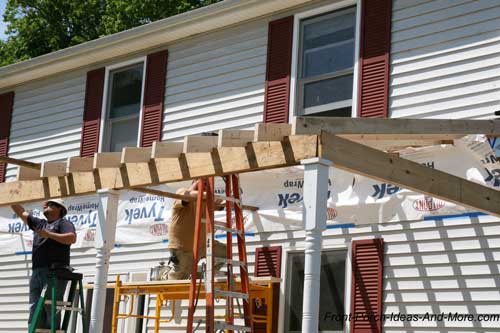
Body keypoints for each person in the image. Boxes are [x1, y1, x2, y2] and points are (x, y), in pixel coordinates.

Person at [11, 199, 76, 329]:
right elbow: (20, 211)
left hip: (54, 272)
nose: (45, 205)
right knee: (34, 307)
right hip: (37, 272)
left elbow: (71, 238)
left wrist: (49, 234)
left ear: (59, 209)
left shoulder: (63, 223)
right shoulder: (40, 223)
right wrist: (10, 196)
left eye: (50, 204)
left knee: (50, 307)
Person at [166, 179, 227, 280]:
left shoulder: (206, 199)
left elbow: (222, 204)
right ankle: (164, 276)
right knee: (178, 278)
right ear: (195, 182)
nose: (207, 186)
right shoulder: (182, 192)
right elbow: (188, 195)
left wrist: (231, 197)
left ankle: (202, 275)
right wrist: (198, 187)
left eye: (208, 184)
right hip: (184, 247)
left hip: (202, 245)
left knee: (225, 253)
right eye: (204, 183)